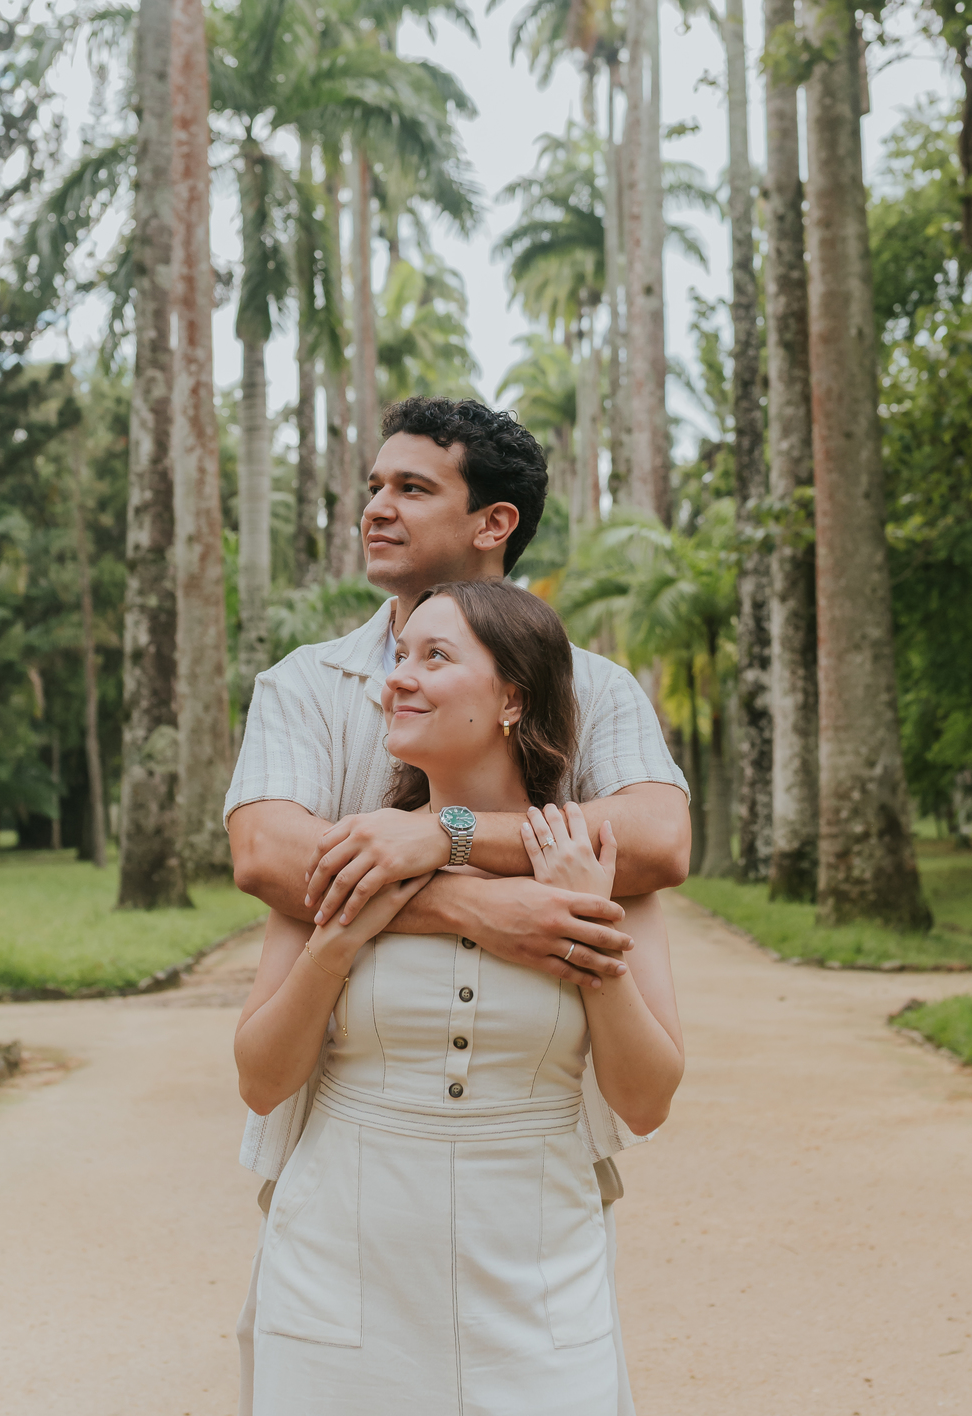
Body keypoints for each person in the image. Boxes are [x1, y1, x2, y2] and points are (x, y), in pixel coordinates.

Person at [226, 397, 692, 1412]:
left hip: (535, 1231)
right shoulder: (306, 683)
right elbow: (265, 855)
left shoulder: (596, 687)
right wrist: (477, 909)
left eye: (411, 487)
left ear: (494, 522)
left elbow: (655, 843)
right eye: (373, 487)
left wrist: (448, 835)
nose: (375, 508)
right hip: (341, 1206)